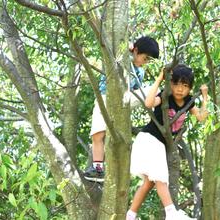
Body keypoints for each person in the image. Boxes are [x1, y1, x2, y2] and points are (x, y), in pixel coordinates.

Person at [126, 64, 209, 220]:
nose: (179, 89)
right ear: (170, 84)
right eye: (176, 84)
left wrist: (204, 97)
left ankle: (130, 215)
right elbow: (148, 103)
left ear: (190, 88)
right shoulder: (166, 96)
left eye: (185, 86)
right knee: (160, 177)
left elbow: (201, 117)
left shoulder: (188, 101)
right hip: (149, 140)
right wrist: (159, 78)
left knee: (149, 183)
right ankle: (171, 214)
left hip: (159, 145)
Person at [84, 36, 159, 182]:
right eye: (145, 57)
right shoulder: (125, 59)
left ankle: (160, 105)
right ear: (136, 51)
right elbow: (118, 46)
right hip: (106, 98)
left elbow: (138, 92)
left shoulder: (140, 72)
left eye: (149, 60)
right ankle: (98, 169)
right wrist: (132, 47)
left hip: (125, 99)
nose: (146, 62)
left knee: (154, 90)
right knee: (96, 135)